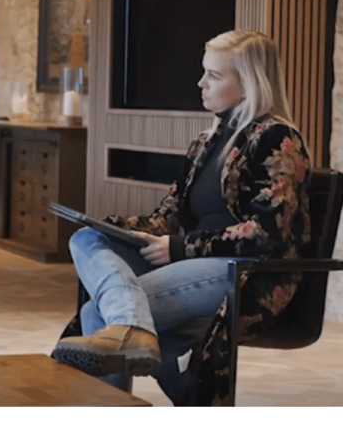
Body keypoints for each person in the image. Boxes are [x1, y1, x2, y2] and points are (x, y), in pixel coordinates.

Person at [52, 30, 311, 392]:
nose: (201, 83)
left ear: (250, 84)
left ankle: (129, 332)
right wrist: (113, 229)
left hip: (247, 272)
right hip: (191, 261)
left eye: (215, 76)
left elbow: (266, 232)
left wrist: (179, 247)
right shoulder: (206, 142)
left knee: (97, 314)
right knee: (86, 238)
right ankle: (131, 330)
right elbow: (168, 215)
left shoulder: (277, 139)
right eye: (204, 72)